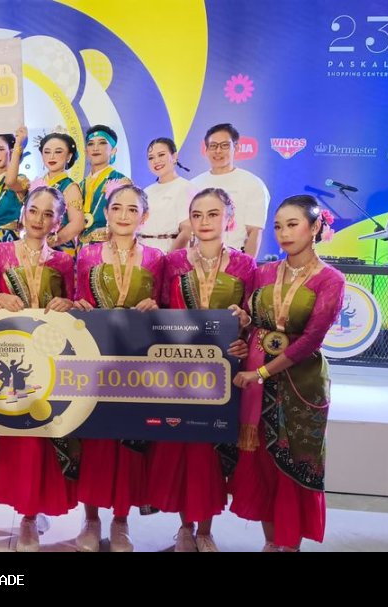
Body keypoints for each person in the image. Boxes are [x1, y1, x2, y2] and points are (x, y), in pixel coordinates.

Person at [229, 195, 345, 552]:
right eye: (278, 226)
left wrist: (261, 372)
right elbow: (253, 321)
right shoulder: (263, 271)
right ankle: (270, 543)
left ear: (315, 227)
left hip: (300, 383)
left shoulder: (331, 279)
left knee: (292, 461)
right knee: (262, 461)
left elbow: (310, 340)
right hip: (255, 374)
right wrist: (243, 329)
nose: (284, 233)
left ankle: (290, 544)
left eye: (293, 224)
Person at [148, 188, 254, 551]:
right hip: (177, 369)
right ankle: (184, 527)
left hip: (222, 373)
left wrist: (244, 329)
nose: (204, 222)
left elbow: (251, 318)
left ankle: (205, 530)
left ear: (229, 219)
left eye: (213, 214)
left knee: (210, 452)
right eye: (197, 215)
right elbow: (162, 309)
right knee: (183, 448)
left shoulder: (245, 265)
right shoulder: (173, 261)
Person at [72, 184, 165, 552]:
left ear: (145, 216)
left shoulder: (157, 258)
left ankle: (121, 521)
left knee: (129, 442)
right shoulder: (87, 254)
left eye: (132, 209)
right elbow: (77, 299)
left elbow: (166, 307)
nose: (124, 215)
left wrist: (156, 307)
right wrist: (79, 306)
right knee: (94, 441)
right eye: (117, 208)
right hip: (95, 358)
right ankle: (91, 519)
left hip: (138, 362)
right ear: (106, 212)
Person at [0, 186, 78, 552]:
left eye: (49, 214)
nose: (39, 219)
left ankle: (36, 507)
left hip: (52, 358)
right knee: (21, 438)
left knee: (47, 438)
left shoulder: (65, 261)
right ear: (23, 212)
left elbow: (75, 304)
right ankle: (25, 514)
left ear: (58, 221)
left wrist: (68, 303)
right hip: (12, 358)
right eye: (34, 210)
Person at [190, 123, 270, 257]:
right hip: (199, 259)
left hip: (236, 257)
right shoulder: (194, 184)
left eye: (224, 145)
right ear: (206, 150)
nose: (218, 151)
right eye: (213, 146)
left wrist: (246, 265)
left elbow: (254, 232)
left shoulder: (253, 183)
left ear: (236, 147)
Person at [140, 137, 192, 253]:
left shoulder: (186, 188)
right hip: (144, 254)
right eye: (151, 157)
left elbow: (187, 231)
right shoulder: (146, 191)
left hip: (169, 253)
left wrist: (170, 259)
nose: (156, 161)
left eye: (161, 155)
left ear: (174, 156)